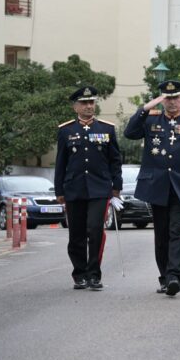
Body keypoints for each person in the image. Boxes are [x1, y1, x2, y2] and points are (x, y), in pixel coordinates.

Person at [124, 80, 180, 297]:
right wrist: (143, 109)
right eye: (167, 98)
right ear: (162, 100)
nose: (172, 102)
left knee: (177, 231)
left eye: (176, 98)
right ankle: (164, 277)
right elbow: (129, 133)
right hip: (157, 186)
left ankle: (174, 277)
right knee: (161, 234)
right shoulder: (151, 119)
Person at [54, 86, 122, 290]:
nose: (89, 106)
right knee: (76, 234)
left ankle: (94, 274)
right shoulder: (66, 131)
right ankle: (79, 273)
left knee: (94, 229)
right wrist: (59, 191)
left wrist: (116, 187)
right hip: (74, 189)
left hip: (99, 189)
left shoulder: (106, 129)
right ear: (76, 106)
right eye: (84, 103)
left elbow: (115, 160)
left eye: (91, 102)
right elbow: (61, 162)